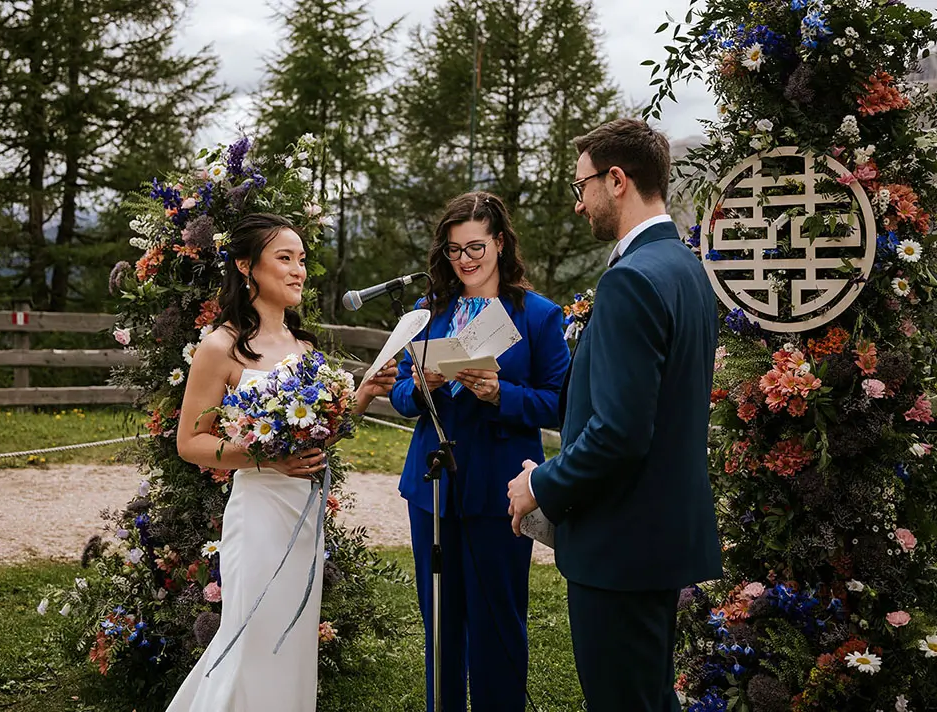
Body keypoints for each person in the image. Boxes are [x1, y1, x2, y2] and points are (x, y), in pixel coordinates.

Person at [506, 118, 724, 712]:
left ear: (617, 179)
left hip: (622, 545)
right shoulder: (685, 267)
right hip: (660, 536)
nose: (579, 205)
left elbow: (620, 433)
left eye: (581, 188)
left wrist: (538, 487)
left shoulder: (632, 279)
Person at [168, 213, 396, 711]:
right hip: (259, 516)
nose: (299, 271)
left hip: (305, 516)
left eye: (302, 260)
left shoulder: (304, 347)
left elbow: (320, 437)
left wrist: (362, 395)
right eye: (285, 258)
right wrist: (266, 461)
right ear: (247, 266)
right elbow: (189, 442)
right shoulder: (219, 346)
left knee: (291, 642)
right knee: (252, 636)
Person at [389, 191, 570, 712]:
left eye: (475, 247)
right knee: (441, 625)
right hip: (433, 490)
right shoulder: (427, 313)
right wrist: (422, 385)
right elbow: (402, 396)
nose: (465, 260)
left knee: (497, 621)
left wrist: (500, 394)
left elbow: (558, 402)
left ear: (500, 242)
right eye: (453, 250)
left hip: (500, 491)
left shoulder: (537, 315)